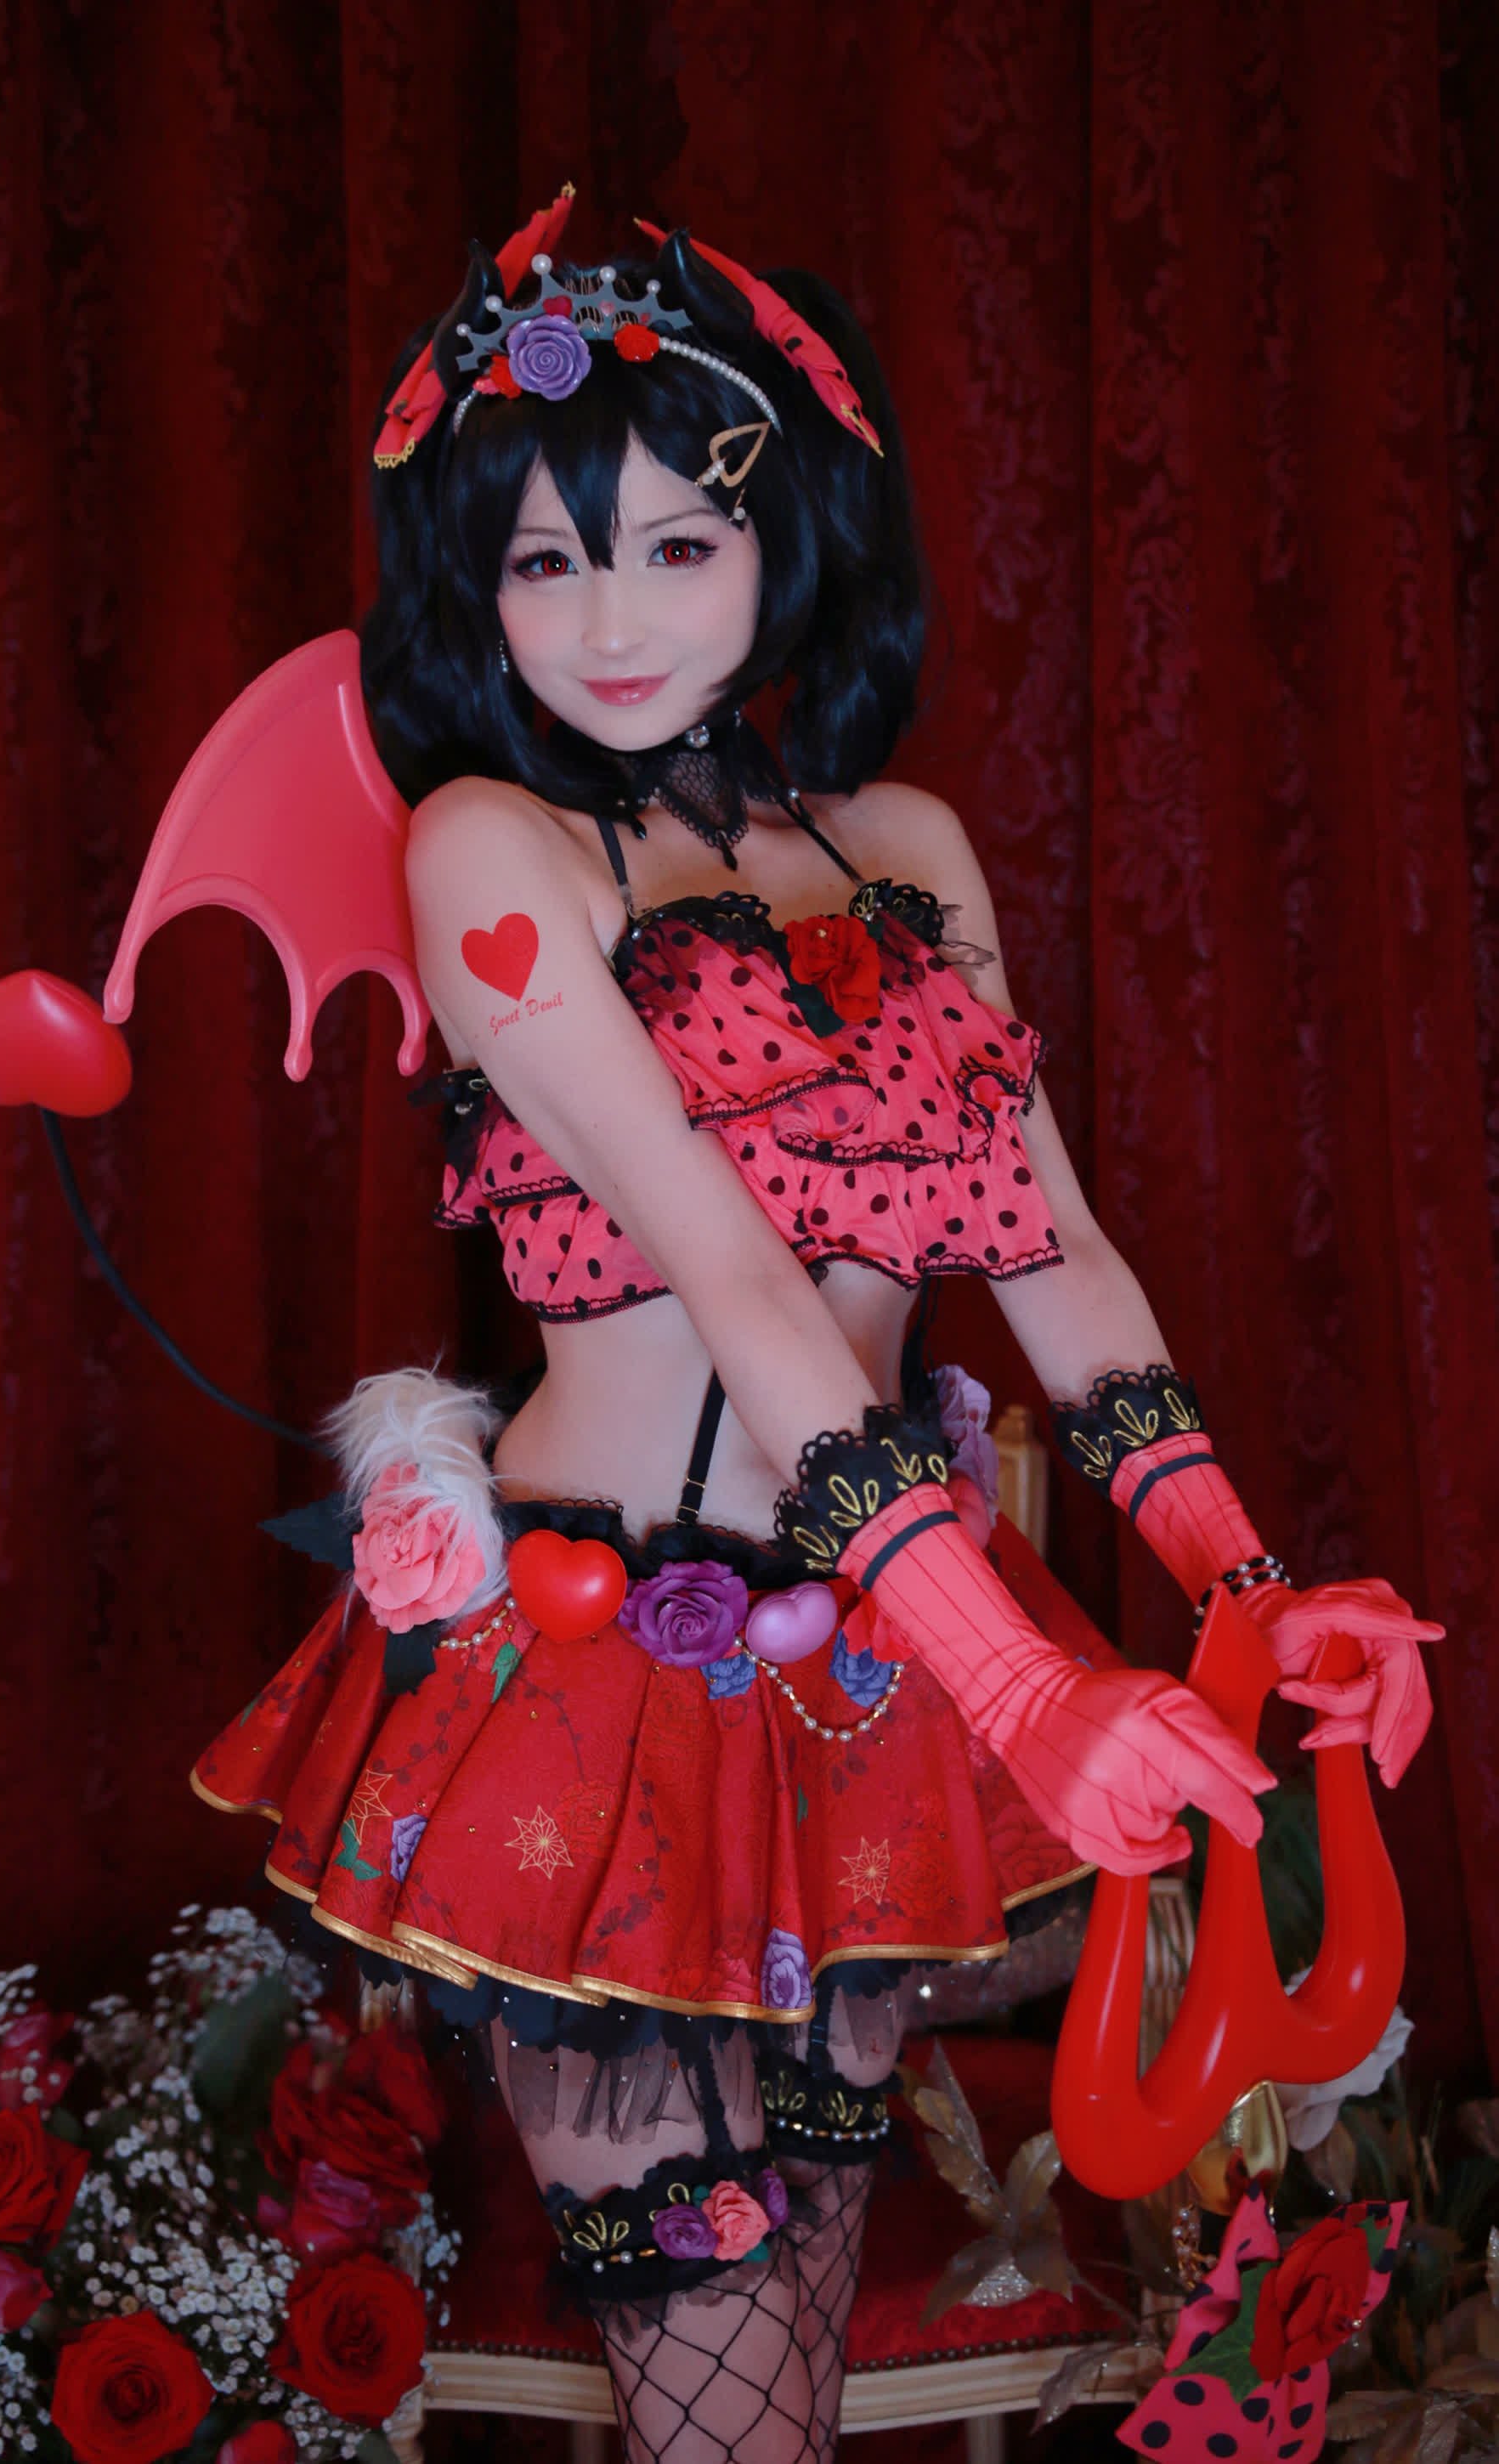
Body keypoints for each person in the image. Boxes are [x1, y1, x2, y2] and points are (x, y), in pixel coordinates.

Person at [191, 201, 1439, 2464]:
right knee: (729, 2417)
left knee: (801, 2382)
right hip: (603, 1703)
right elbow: (739, 1276)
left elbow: (1055, 1256)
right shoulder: (492, 847)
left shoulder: (907, 847)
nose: (611, 620)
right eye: (545, 563)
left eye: (678, 544)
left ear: (795, 542)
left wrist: (1255, 1587)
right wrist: (1030, 1684)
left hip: (860, 1680)